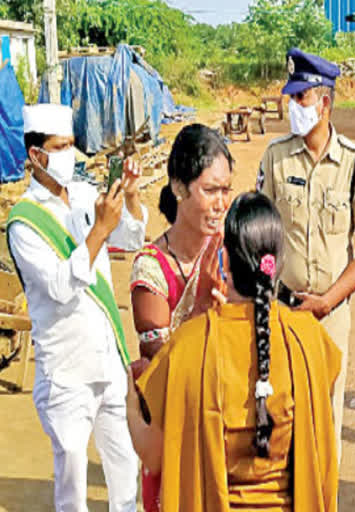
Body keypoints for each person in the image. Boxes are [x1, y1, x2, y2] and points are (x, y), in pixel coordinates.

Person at [126, 191, 342, 511]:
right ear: (279, 263)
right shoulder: (309, 339)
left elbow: (154, 456)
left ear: (223, 260)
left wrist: (130, 398)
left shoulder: (189, 346)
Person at [7, 104, 146, 511]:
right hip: (67, 372)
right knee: (73, 488)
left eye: (71, 144)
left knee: (126, 476)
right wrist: (100, 229)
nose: (70, 153)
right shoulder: (24, 222)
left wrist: (131, 199)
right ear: (37, 156)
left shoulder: (85, 195)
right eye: (60, 146)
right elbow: (59, 286)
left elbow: (131, 237)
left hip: (107, 360)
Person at [258, 48, 355, 459]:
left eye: (301, 98)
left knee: (326, 423)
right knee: (281, 419)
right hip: (284, 310)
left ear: (324, 102)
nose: (293, 106)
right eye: (291, 97)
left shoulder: (354, 164)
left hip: (331, 314)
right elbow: (260, 235)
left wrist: (330, 299)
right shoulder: (275, 157)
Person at [129, 123, 233, 511]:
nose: (221, 203)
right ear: (178, 188)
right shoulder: (151, 269)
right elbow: (159, 364)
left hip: (226, 427)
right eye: (209, 190)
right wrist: (200, 305)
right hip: (173, 432)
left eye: (226, 190)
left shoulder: (230, 253)